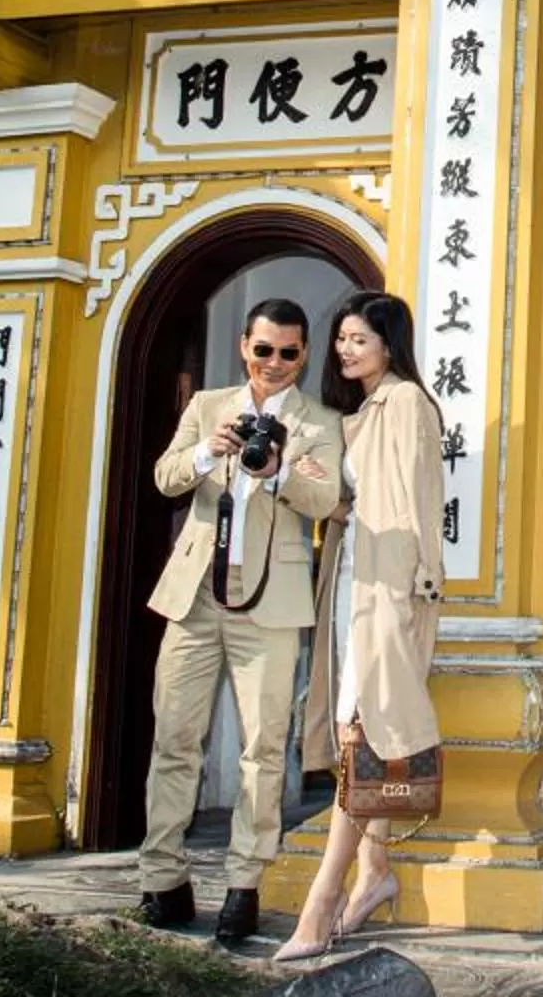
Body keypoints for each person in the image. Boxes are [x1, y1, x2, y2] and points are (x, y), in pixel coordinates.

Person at [135, 297, 343, 944]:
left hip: (270, 603)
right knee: (175, 737)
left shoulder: (319, 422)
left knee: (263, 748)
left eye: (288, 353)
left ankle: (244, 886)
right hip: (196, 595)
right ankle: (161, 878)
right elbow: (165, 477)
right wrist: (207, 452)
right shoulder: (207, 407)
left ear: (303, 355)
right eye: (263, 350)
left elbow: (326, 499)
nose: (274, 363)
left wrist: (279, 473)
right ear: (244, 348)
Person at [277, 290, 446, 962]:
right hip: (354, 580)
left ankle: (320, 904)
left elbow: (418, 501)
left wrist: (415, 588)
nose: (345, 349)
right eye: (342, 339)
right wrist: (327, 494)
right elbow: (363, 500)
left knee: (361, 731)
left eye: (359, 339)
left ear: (388, 344)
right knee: (363, 732)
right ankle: (374, 870)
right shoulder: (362, 412)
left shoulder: (404, 402)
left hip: (386, 589)